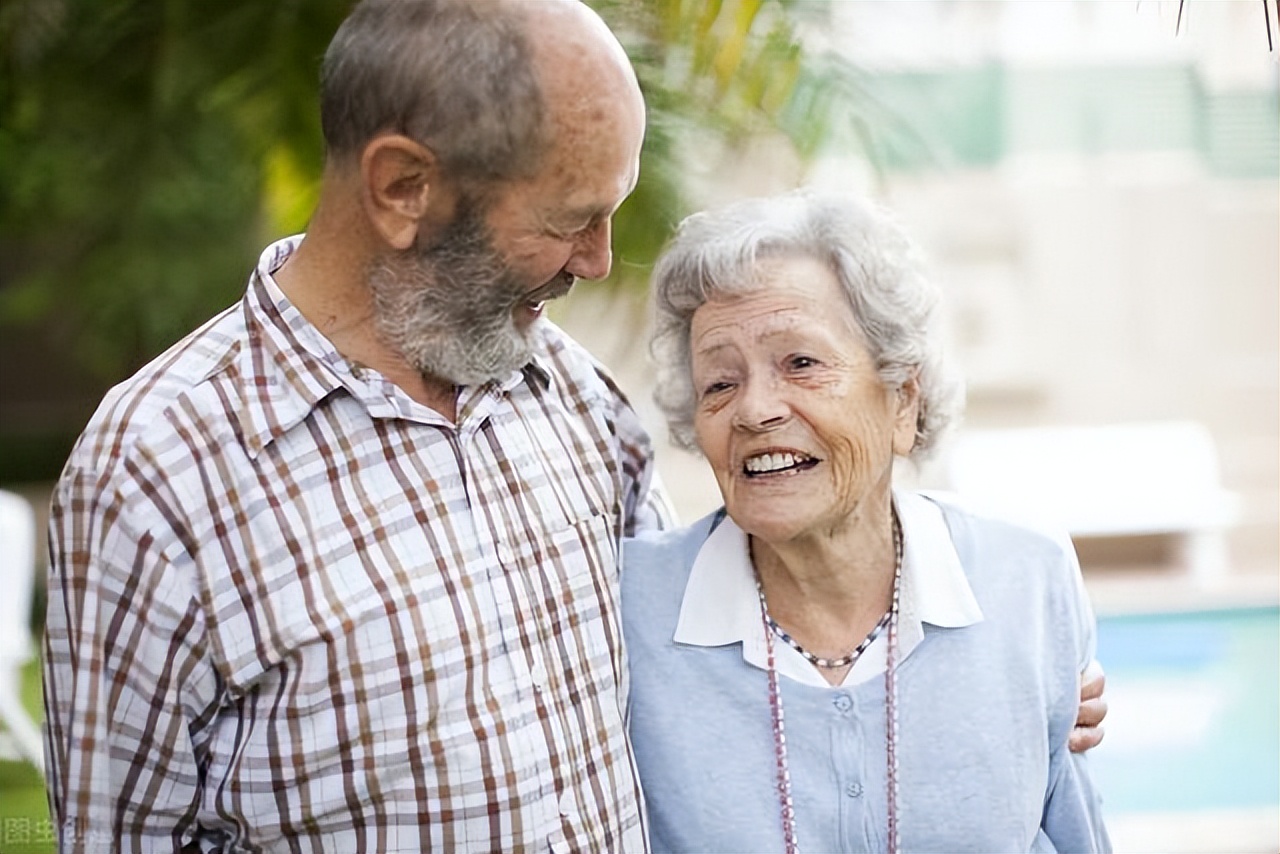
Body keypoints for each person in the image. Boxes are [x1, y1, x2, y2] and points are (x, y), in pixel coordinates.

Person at [43, 1, 672, 850]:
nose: (599, 260)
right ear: (403, 186)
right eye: (568, 219)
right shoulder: (155, 472)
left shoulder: (572, 388)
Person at [623, 190, 1111, 853]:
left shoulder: (1025, 577)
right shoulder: (627, 611)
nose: (755, 410)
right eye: (720, 383)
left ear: (903, 402)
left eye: (801, 363)